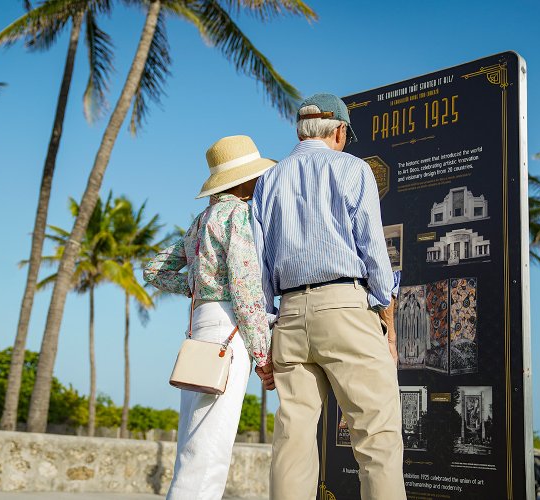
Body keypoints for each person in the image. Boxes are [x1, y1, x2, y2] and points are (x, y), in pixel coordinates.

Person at [252, 93, 405, 500]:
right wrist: (388, 325)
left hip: (288, 314)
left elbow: (260, 269)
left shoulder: (267, 180)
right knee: (377, 438)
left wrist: (267, 334)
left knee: (293, 441)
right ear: (339, 130)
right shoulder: (353, 169)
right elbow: (374, 250)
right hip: (345, 308)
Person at [144, 135, 276, 500]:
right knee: (211, 446)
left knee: (193, 441)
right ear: (245, 180)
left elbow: (154, 269)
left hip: (201, 329)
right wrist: (263, 357)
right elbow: (245, 286)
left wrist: (198, 281)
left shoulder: (201, 221)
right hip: (228, 328)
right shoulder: (239, 214)